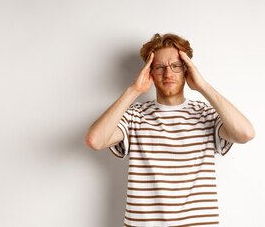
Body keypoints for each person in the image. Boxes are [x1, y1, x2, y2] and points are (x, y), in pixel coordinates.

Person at [85, 33, 255, 227]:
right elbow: (95, 140)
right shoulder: (135, 116)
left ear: (187, 70)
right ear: (149, 72)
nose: (168, 74)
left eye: (176, 65)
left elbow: (245, 133)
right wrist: (134, 90)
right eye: (160, 67)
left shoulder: (205, 114)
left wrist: (203, 86)